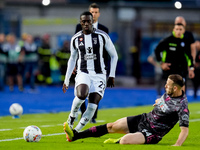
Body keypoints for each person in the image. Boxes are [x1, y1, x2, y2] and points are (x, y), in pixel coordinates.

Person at [64, 74, 189, 146]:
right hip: (144, 119)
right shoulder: (169, 93)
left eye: (168, 85)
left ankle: (117, 141)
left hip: (152, 133)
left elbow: (184, 130)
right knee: (112, 126)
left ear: (176, 88)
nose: (165, 86)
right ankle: (75, 136)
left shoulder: (182, 107)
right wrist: (158, 102)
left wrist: (177, 145)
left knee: (124, 141)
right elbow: (163, 102)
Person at [62, 11, 118, 133]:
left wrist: (111, 75)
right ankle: (72, 117)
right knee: (81, 95)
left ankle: (76, 131)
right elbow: (72, 59)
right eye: (84, 21)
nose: (86, 23)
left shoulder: (102, 36)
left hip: (99, 75)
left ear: (92, 21)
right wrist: (66, 80)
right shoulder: (76, 39)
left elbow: (114, 55)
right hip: (83, 72)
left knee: (93, 105)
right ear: (81, 23)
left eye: (89, 21)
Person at [75, 3, 109, 123]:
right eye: (92, 12)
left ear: (99, 14)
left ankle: (93, 116)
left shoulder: (104, 30)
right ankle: (82, 114)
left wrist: (107, 67)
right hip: (83, 67)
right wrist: (75, 65)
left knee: (95, 92)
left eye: (95, 12)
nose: (93, 14)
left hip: (99, 67)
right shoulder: (79, 28)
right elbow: (76, 49)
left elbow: (106, 50)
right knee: (82, 92)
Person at [155, 23, 195, 91]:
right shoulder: (167, 40)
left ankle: (181, 101)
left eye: (180, 29)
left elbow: (189, 56)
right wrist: (162, 63)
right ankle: (168, 101)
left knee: (182, 89)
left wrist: (191, 68)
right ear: (174, 30)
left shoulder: (186, 41)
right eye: (177, 29)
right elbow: (157, 50)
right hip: (169, 69)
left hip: (182, 69)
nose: (178, 31)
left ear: (183, 31)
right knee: (170, 90)